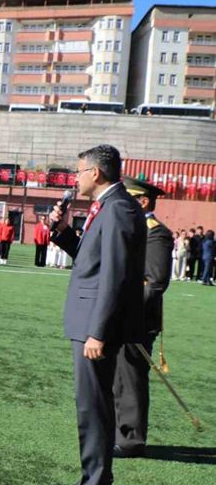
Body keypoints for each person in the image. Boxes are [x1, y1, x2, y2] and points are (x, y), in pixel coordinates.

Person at [49, 144, 146, 485]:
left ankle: (96, 480)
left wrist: (98, 331)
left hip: (95, 325)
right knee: (89, 406)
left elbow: (115, 275)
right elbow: (91, 260)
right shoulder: (105, 206)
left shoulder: (118, 208)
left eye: (78, 172)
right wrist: (62, 232)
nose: (74, 179)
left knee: (93, 408)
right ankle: (94, 477)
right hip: (88, 320)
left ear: (96, 172)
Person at [112, 176, 173, 459]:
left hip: (136, 321)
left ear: (143, 201)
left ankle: (130, 441)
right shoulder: (132, 228)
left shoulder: (155, 233)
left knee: (130, 380)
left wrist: (125, 309)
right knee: (115, 379)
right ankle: (115, 433)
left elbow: (155, 282)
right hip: (116, 316)